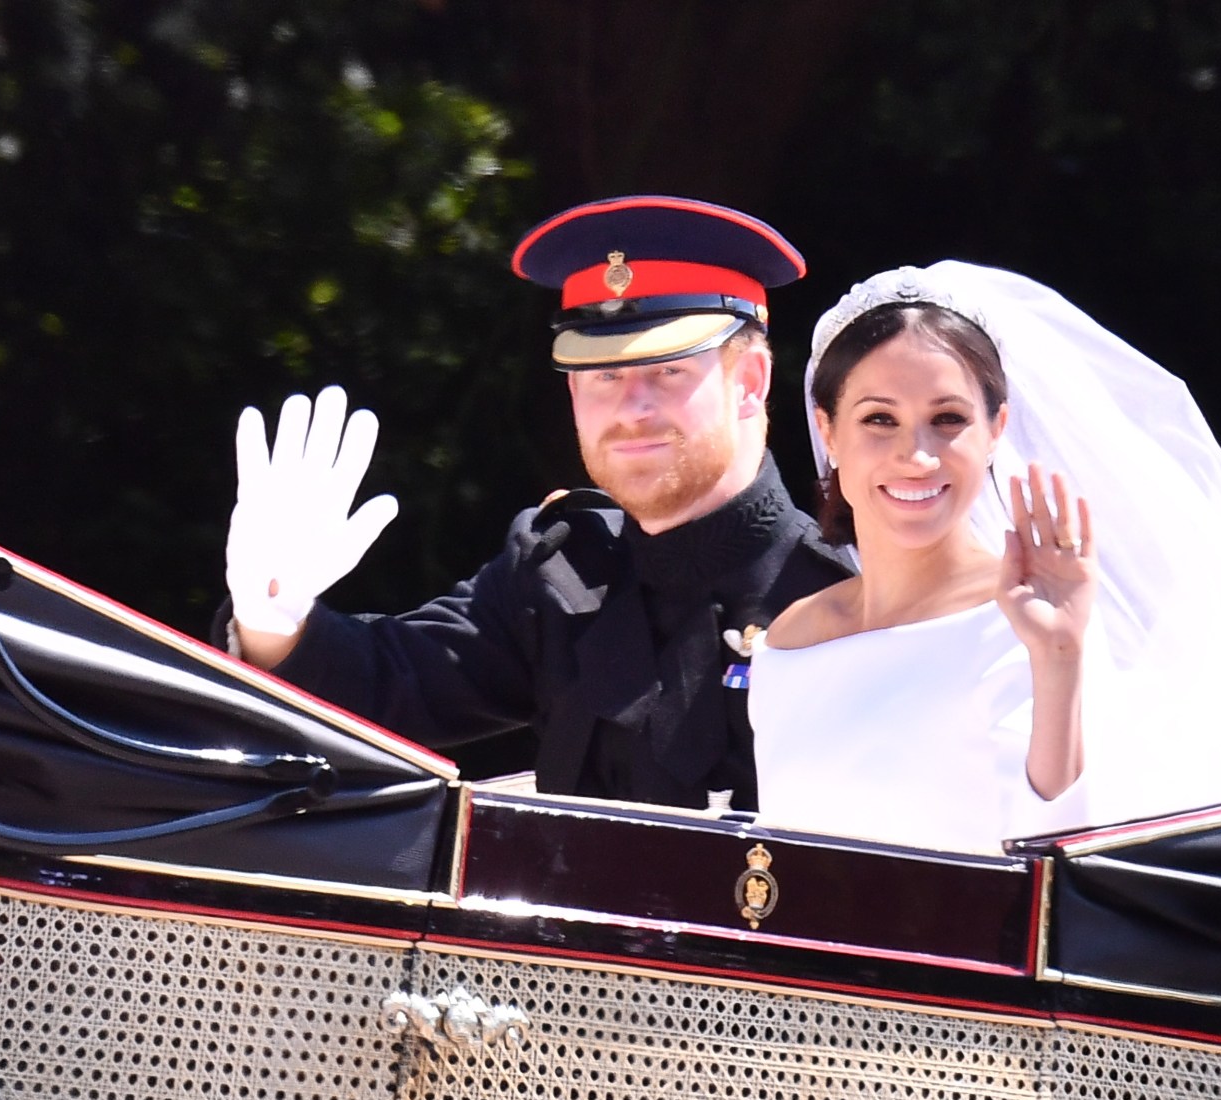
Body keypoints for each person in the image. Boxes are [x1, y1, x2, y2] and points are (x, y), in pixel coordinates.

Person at [218, 196, 855, 811]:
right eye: (603, 376)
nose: (632, 408)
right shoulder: (562, 571)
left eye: (668, 371)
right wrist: (274, 620)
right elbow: (386, 687)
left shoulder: (849, 597)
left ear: (749, 383)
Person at [749, 260, 1221, 855]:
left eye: (948, 419)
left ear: (996, 428)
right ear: (827, 430)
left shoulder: (1028, 619)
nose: (917, 456)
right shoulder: (788, 641)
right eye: (880, 419)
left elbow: (1067, 851)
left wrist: (1059, 655)